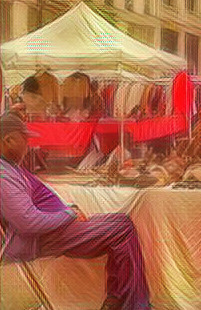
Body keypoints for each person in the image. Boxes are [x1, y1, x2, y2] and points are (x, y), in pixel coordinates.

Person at [0, 112, 150, 310]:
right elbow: (28, 223)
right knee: (121, 229)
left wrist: (66, 213)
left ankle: (120, 300)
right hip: (42, 238)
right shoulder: (3, 174)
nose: (28, 144)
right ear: (8, 139)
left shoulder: (9, 168)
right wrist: (67, 214)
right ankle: (128, 303)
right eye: (24, 138)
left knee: (122, 224)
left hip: (51, 231)